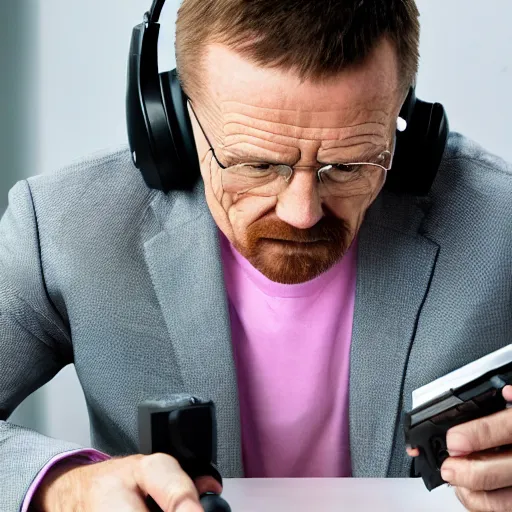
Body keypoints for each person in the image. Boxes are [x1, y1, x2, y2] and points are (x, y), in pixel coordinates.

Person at [0, 0, 511, 511]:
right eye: (258, 164)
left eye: (348, 165)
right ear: (173, 121)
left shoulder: (499, 224)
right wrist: (61, 488)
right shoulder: (64, 228)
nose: (302, 212)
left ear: (405, 124)